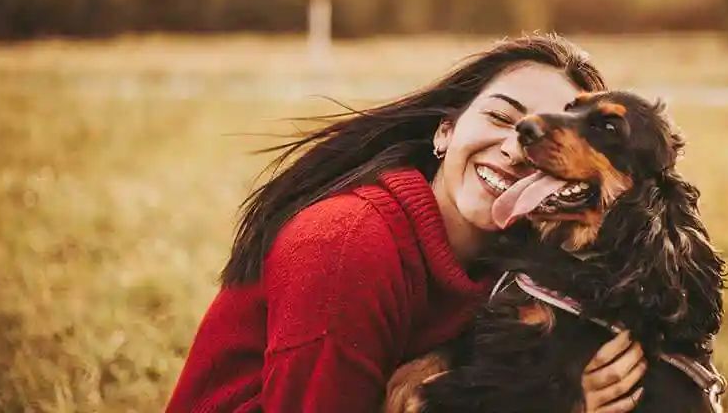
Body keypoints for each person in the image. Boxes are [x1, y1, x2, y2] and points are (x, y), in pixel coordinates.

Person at [165, 34, 647, 413]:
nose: (519, 148)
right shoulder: (347, 244)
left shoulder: (532, 264)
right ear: (446, 129)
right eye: (503, 117)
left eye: (547, 142)